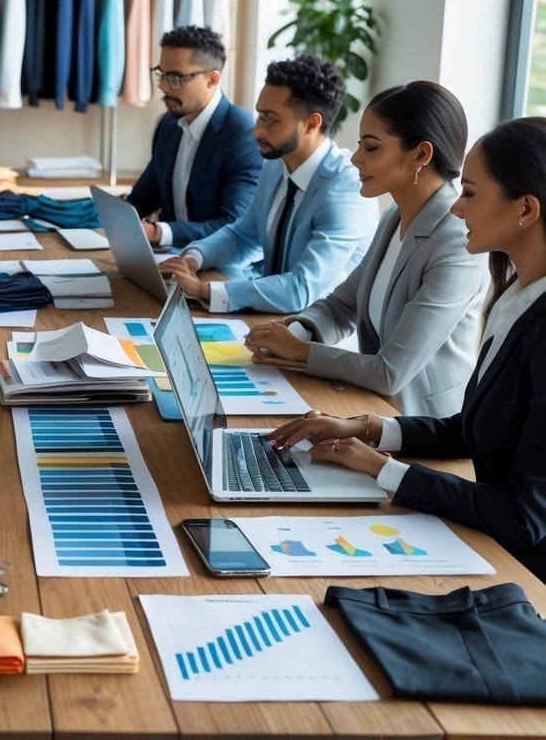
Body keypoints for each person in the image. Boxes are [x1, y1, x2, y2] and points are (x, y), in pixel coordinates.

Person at [269, 117, 546, 581]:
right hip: (489, 542)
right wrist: (368, 428)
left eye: (471, 194)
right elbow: (474, 430)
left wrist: (383, 469)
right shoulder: (516, 294)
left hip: (522, 573)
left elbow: (525, 518)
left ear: (526, 209)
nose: (457, 209)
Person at [245, 82, 485, 416]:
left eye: (371, 148)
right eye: (359, 144)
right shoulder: (392, 217)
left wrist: (300, 352)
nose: (355, 158)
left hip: (421, 427)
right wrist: (292, 333)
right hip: (368, 407)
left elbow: (390, 372)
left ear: (421, 154)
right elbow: (341, 306)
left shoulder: (457, 242)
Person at [160, 54, 378, 313]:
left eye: (270, 120)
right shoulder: (277, 163)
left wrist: (204, 290)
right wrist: (193, 258)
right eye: (259, 116)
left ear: (311, 123)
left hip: (313, 334)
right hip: (269, 320)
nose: (256, 131)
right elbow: (243, 235)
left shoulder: (346, 188)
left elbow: (301, 289)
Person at [125, 25, 261, 248]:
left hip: (221, 267)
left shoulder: (240, 133)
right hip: (169, 258)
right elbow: (142, 199)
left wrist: (158, 232)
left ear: (212, 79)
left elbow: (233, 226)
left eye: (176, 77)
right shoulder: (168, 125)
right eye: (161, 74)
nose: (163, 86)